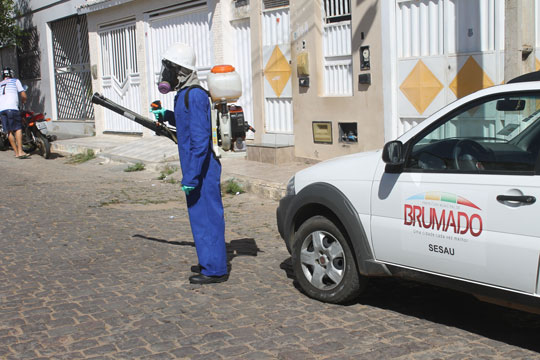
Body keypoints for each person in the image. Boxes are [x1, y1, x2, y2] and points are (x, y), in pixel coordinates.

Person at [153, 43, 228, 284]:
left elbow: (199, 140)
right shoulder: (185, 94)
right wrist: (167, 115)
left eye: (170, 69)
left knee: (207, 217)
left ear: (182, 71)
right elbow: (188, 124)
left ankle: (215, 270)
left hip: (202, 168)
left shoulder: (194, 94)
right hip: (195, 167)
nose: (166, 75)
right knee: (199, 217)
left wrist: (192, 176)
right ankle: (208, 261)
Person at [0, 68, 28, 158]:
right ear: (11, 74)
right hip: (12, 108)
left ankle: (16, 153)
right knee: (18, 129)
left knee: (9, 131)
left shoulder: (0, 84)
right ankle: (20, 151)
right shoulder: (15, 81)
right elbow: (23, 95)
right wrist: (24, 101)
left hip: (2, 110)